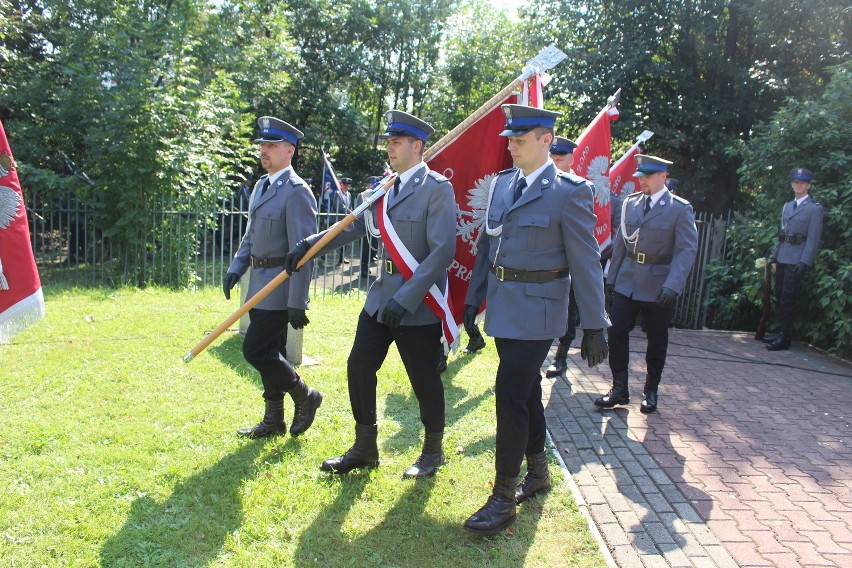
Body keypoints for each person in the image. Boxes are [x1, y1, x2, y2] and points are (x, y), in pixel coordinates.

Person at [284, 110, 457, 479]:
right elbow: (351, 229)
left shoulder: (437, 189)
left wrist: (407, 298)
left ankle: (433, 451)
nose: (390, 148)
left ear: (417, 146)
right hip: (381, 299)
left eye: (396, 142)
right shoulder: (382, 189)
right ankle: (365, 448)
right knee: (359, 366)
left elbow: (442, 252)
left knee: (423, 378)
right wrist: (310, 245)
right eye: (389, 142)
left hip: (417, 303)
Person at [462, 105, 610, 535]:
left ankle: (502, 497)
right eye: (509, 139)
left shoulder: (570, 191)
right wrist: (473, 300)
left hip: (542, 310)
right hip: (505, 304)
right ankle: (540, 471)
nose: (510, 146)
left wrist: (595, 325)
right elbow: (488, 247)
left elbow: (585, 261)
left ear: (546, 140)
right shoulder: (503, 185)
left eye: (519, 139)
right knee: (525, 392)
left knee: (508, 393)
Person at [222, 116, 323, 439]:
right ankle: (273, 419)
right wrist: (236, 269)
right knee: (272, 352)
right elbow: (251, 237)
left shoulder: (297, 192)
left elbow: (303, 252)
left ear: (290, 151)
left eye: (272, 145)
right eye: (263, 145)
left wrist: (297, 301)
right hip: (257, 284)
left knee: (255, 350)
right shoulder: (262, 186)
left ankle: (306, 395)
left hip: (279, 286)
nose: (264, 151)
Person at [595, 155, 698, 414]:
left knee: (656, 338)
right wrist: (611, 278)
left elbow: (686, 251)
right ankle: (620, 388)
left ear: (663, 176)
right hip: (627, 280)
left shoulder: (679, 208)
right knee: (616, 331)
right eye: (640, 176)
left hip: (658, 283)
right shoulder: (631, 204)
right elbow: (621, 245)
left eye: (648, 176)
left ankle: (651, 390)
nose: (642, 181)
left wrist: (673, 285)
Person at [764, 168, 823, 351]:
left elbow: (813, 239)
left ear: (808, 186)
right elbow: (782, 235)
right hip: (783, 257)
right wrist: (775, 256)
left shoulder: (814, 209)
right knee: (780, 296)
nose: (799, 185)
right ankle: (781, 332)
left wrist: (804, 262)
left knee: (788, 298)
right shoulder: (787, 206)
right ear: (791, 185)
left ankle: (785, 337)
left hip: (797, 259)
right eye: (796, 182)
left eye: (802, 183)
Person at [544, 135, 582, 378]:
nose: (556, 163)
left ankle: (561, 356)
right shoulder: (543, 183)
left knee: (568, 313)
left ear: (571, 159)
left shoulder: (578, 188)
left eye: (561, 159)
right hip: (544, 264)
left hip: (569, 265)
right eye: (552, 158)